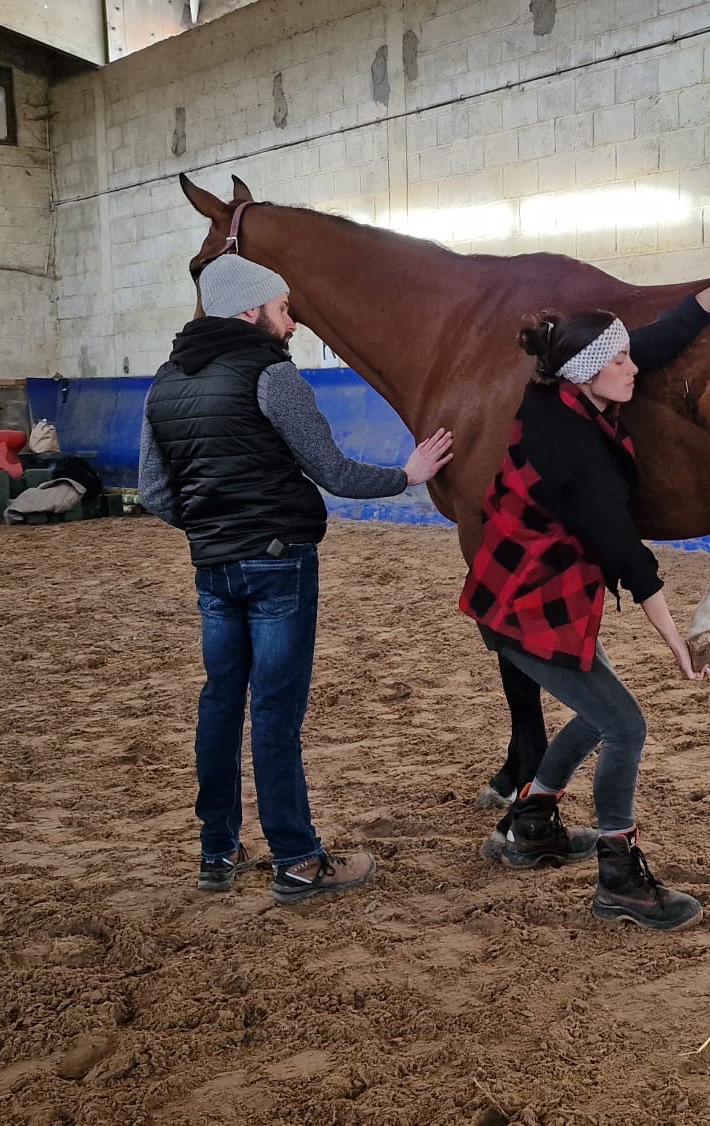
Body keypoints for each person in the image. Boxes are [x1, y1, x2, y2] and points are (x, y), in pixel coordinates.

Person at [460, 252, 710, 930]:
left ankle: (531, 825)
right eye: (620, 364)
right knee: (625, 724)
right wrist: (681, 646)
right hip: (524, 608)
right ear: (590, 375)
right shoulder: (575, 452)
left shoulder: (571, 381)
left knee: (598, 715)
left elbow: (660, 337)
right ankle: (620, 873)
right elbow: (628, 558)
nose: (635, 369)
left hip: (533, 596)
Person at [138, 253, 454, 904]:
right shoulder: (273, 375)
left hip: (214, 567)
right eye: (283, 310)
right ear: (251, 311)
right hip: (278, 562)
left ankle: (217, 852)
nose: (292, 324)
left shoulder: (165, 382)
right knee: (275, 715)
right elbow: (333, 472)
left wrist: (212, 528)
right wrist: (407, 475)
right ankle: (297, 861)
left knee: (220, 708)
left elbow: (153, 492)